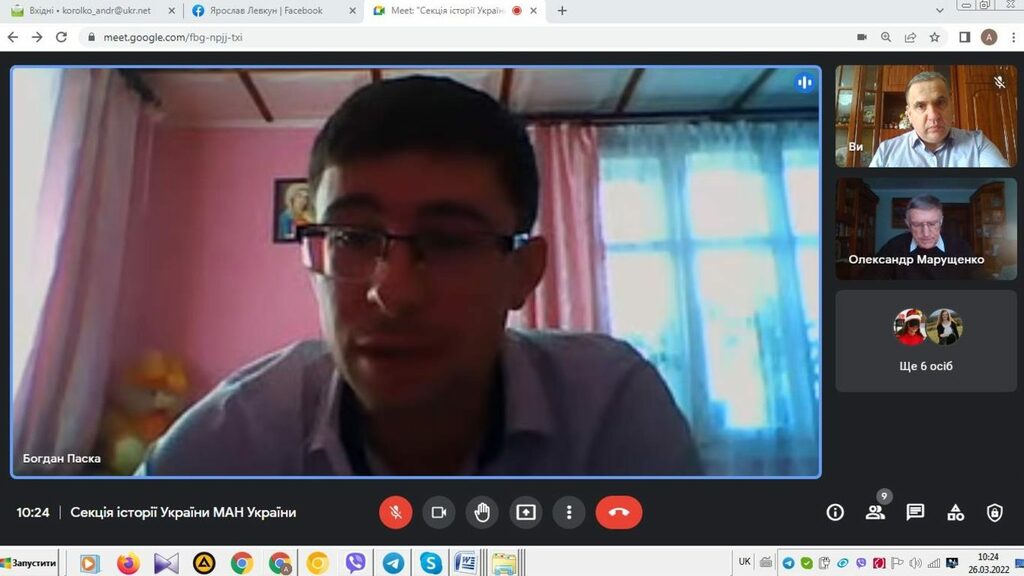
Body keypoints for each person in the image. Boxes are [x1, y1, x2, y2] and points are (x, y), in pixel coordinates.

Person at [140, 76, 702, 476]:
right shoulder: (228, 445)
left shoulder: (609, 409)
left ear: (524, 273)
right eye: (353, 238)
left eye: (450, 240)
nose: (394, 293)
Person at [869, 71, 1010, 168]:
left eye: (940, 103)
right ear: (909, 114)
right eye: (920, 106)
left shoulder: (977, 143)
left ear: (952, 106)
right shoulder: (886, 151)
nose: (933, 116)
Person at [865, 194, 983, 280]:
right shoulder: (893, 247)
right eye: (917, 224)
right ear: (908, 224)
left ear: (941, 221)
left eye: (932, 224)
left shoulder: (961, 247)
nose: (926, 233)